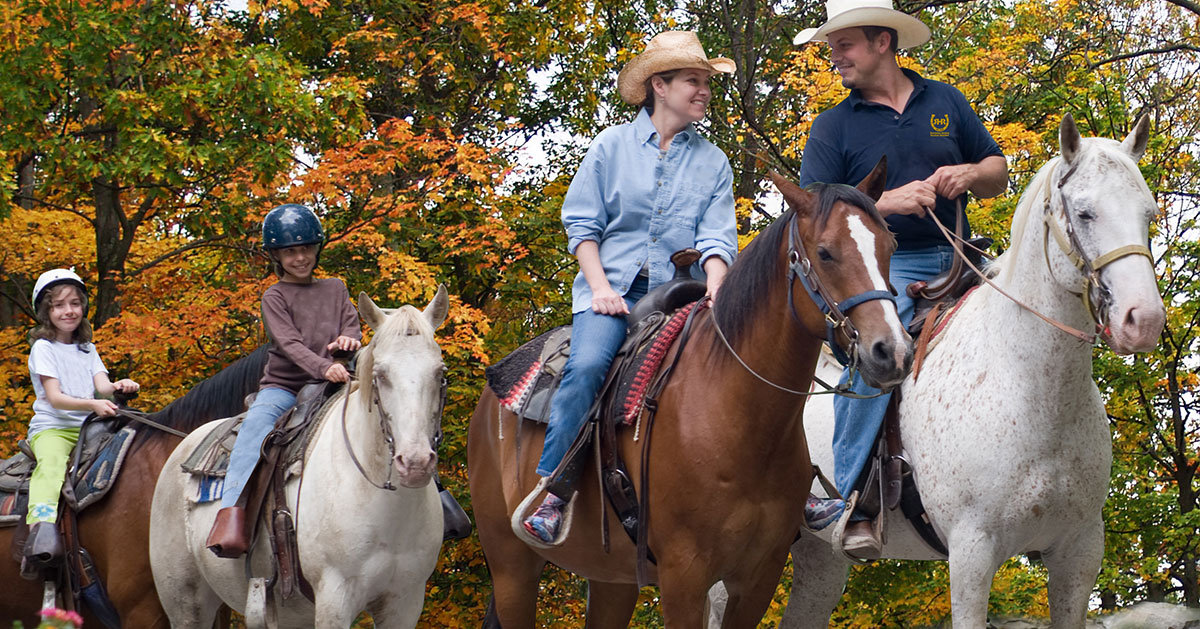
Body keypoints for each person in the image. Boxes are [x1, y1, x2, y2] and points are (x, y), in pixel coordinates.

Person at [794, 0, 1008, 557]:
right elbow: (813, 215)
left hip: (963, 256)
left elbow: (998, 172)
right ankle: (852, 502)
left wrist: (972, 171)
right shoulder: (833, 126)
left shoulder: (945, 100)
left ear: (882, 42)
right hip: (887, 270)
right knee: (874, 360)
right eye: (833, 45)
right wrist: (885, 202)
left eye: (845, 44)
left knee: (1035, 323)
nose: (835, 55)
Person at [521, 31, 740, 544]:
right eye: (694, 81)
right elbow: (582, 226)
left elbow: (716, 239)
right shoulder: (610, 147)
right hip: (610, 288)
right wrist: (599, 289)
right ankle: (555, 491)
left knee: (735, 367)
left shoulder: (714, 162)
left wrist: (716, 287)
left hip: (680, 293)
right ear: (659, 86)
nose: (704, 90)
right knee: (590, 365)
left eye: (707, 82)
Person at [205, 203, 362, 558]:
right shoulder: (274, 296)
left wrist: (349, 341)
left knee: (386, 413)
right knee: (253, 431)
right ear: (276, 255)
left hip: (334, 384)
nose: (300, 257)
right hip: (285, 387)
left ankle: (433, 498)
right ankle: (230, 516)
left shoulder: (336, 288)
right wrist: (324, 366)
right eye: (290, 251)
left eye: (306, 248)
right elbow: (289, 344)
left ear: (317, 249)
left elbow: (351, 323)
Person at [22, 269, 140, 569]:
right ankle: (41, 528)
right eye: (59, 305)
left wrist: (119, 386)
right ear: (46, 311)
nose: (69, 311)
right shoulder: (43, 348)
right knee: (50, 466)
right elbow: (56, 398)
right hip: (55, 428)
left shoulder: (88, 349)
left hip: (90, 428)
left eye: (75, 303)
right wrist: (92, 403)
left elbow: (102, 386)